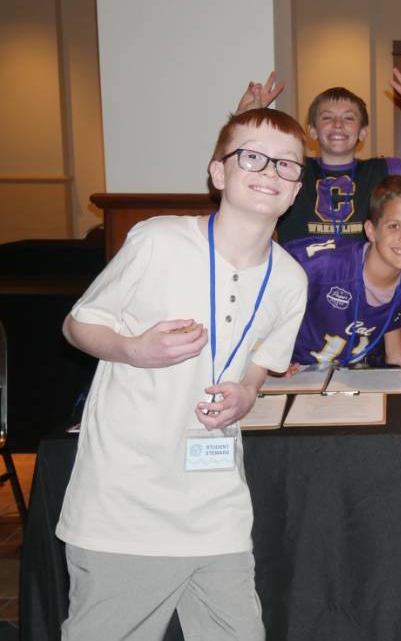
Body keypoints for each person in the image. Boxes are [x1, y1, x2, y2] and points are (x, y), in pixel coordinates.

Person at [57, 108, 309, 639]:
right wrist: (132, 349)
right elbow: (77, 325)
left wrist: (247, 393)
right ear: (218, 172)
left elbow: (260, 363)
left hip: (218, 509)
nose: (271, 170)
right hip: (126, 505)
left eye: (287, 163)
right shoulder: (158, 241)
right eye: (253, 157)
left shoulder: (290, 279)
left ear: (296, 187)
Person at [236, 69, 401, 243]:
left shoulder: (381, 170)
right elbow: (238, 166)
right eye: (327, 117)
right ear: (312, 130)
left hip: (361, 281)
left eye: (349, 118)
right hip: (298, 279)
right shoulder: (290, 168)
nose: (338, 124)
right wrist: (244, 118)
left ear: (363, 132)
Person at [283, 175, 401, 368]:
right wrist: (268, 357)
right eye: (394, 226)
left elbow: (396, 310)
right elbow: (266, 285)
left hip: (353, 374)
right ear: (371, 231)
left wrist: (395, 353)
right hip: (295, 368)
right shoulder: (325, 265)